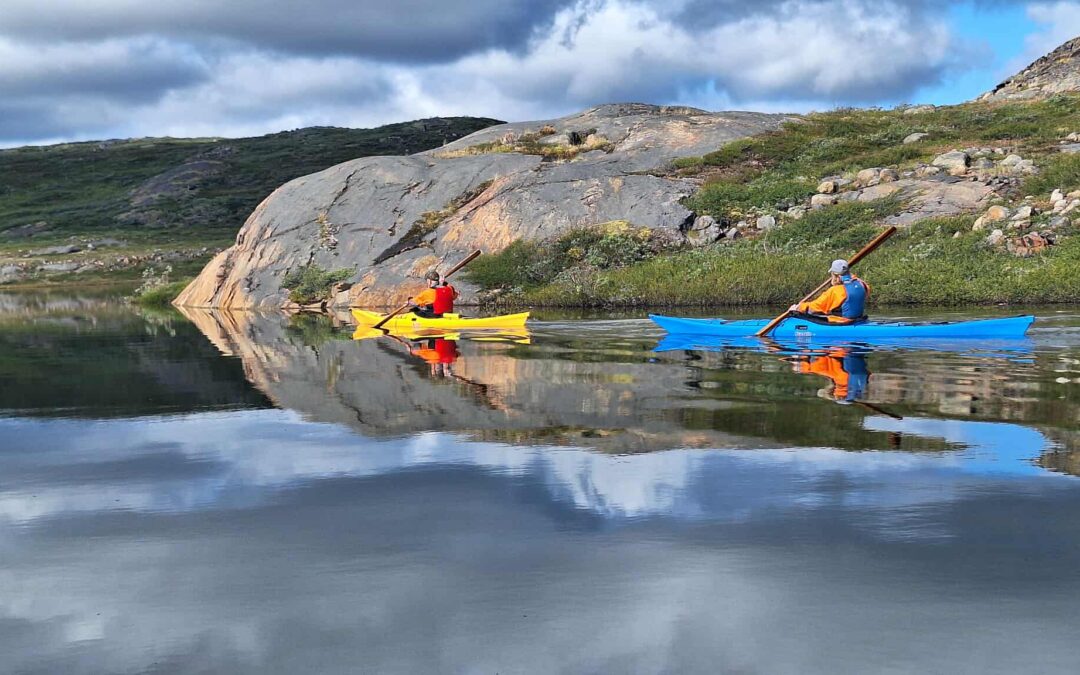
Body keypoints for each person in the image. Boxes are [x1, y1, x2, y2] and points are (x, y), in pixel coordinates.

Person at [788, 259, 870, 324]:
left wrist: (798, 307)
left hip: (841, 322)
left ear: (835, 275)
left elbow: (815, 308)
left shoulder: (835, 291)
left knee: (800, 313)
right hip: (858, 320)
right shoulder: (862, 284)